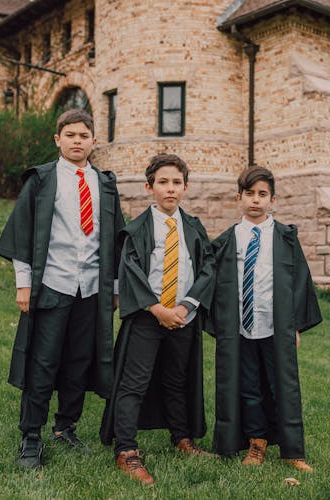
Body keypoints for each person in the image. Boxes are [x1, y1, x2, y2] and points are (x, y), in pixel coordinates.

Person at [0, 109, 125, 468]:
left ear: (94, 141)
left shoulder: (104, 185)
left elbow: (115, 241)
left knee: (80, 361)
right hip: (51, 283)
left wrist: (113, 288)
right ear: (58, 140)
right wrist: (24, 285)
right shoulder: (41, 180)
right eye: (70, 135)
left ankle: (65, 427)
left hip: (91, 289)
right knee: (43, 360)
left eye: (84, 135)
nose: (77, 141)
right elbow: (23, 232)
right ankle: (31, 436)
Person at [99, 153, 215, 485]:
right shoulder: (135, 230)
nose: (170, 189)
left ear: (186, 187)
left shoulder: (193, 227)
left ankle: (181, 437)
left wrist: (186, 306)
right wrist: (157, 309)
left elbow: (207, 269)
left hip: (182, 316)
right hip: (147, 317)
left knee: (177, 380)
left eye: (177, 183)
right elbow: (131, 271)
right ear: (149, 187)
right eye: (163, 182)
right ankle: (127, 450)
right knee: (133, 384)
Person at [208, 165, 322, 473]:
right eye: (249, 194)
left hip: (275, 327)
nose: (256, 200)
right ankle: (256, 443)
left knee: (282, 385)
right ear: (239, 198)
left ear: (272, 200)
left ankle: (292, 450)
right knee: (248, 387)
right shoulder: (228, 240)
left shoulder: (285, 237)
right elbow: (213, 283)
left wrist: (295, 325)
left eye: (262, 194)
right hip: (242, 329)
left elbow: (299, 282)